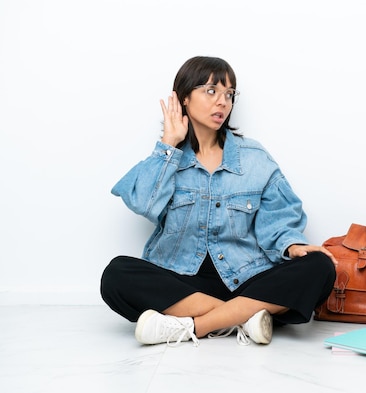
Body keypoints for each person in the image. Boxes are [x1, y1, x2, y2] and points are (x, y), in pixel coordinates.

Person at [100, 56, 337, 347]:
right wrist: (169, 144)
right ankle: (244, 318)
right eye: (211, 91)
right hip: (184, 283)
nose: (222, 102)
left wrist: (293, 245)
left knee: (320, 266)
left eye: (229, 94)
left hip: (248, 281)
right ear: (184, 98)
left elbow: (279, 219)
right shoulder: (167, 158)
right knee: (116, 275)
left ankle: (192, 326)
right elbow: (142, 203)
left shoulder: (254, 158)